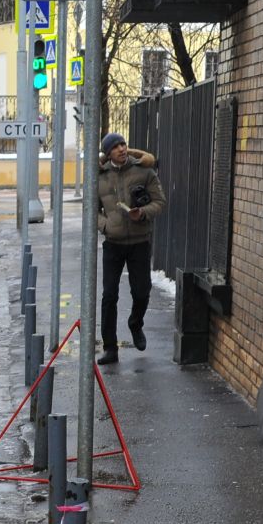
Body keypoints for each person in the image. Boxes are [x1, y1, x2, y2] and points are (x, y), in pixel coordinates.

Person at [93, 133, 166, 366]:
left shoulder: (144, 171)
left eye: (123, 144)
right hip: (113, 244)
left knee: (142, 291)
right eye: (115, 147)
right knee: (109, 296)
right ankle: (110, 347)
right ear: (108, 153)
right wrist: (106, 226)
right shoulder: (99, 176)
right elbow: (90, 209)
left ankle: (136, 323)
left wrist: (142, 212)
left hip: (139, 241)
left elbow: (160, 202)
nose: (122, 149)